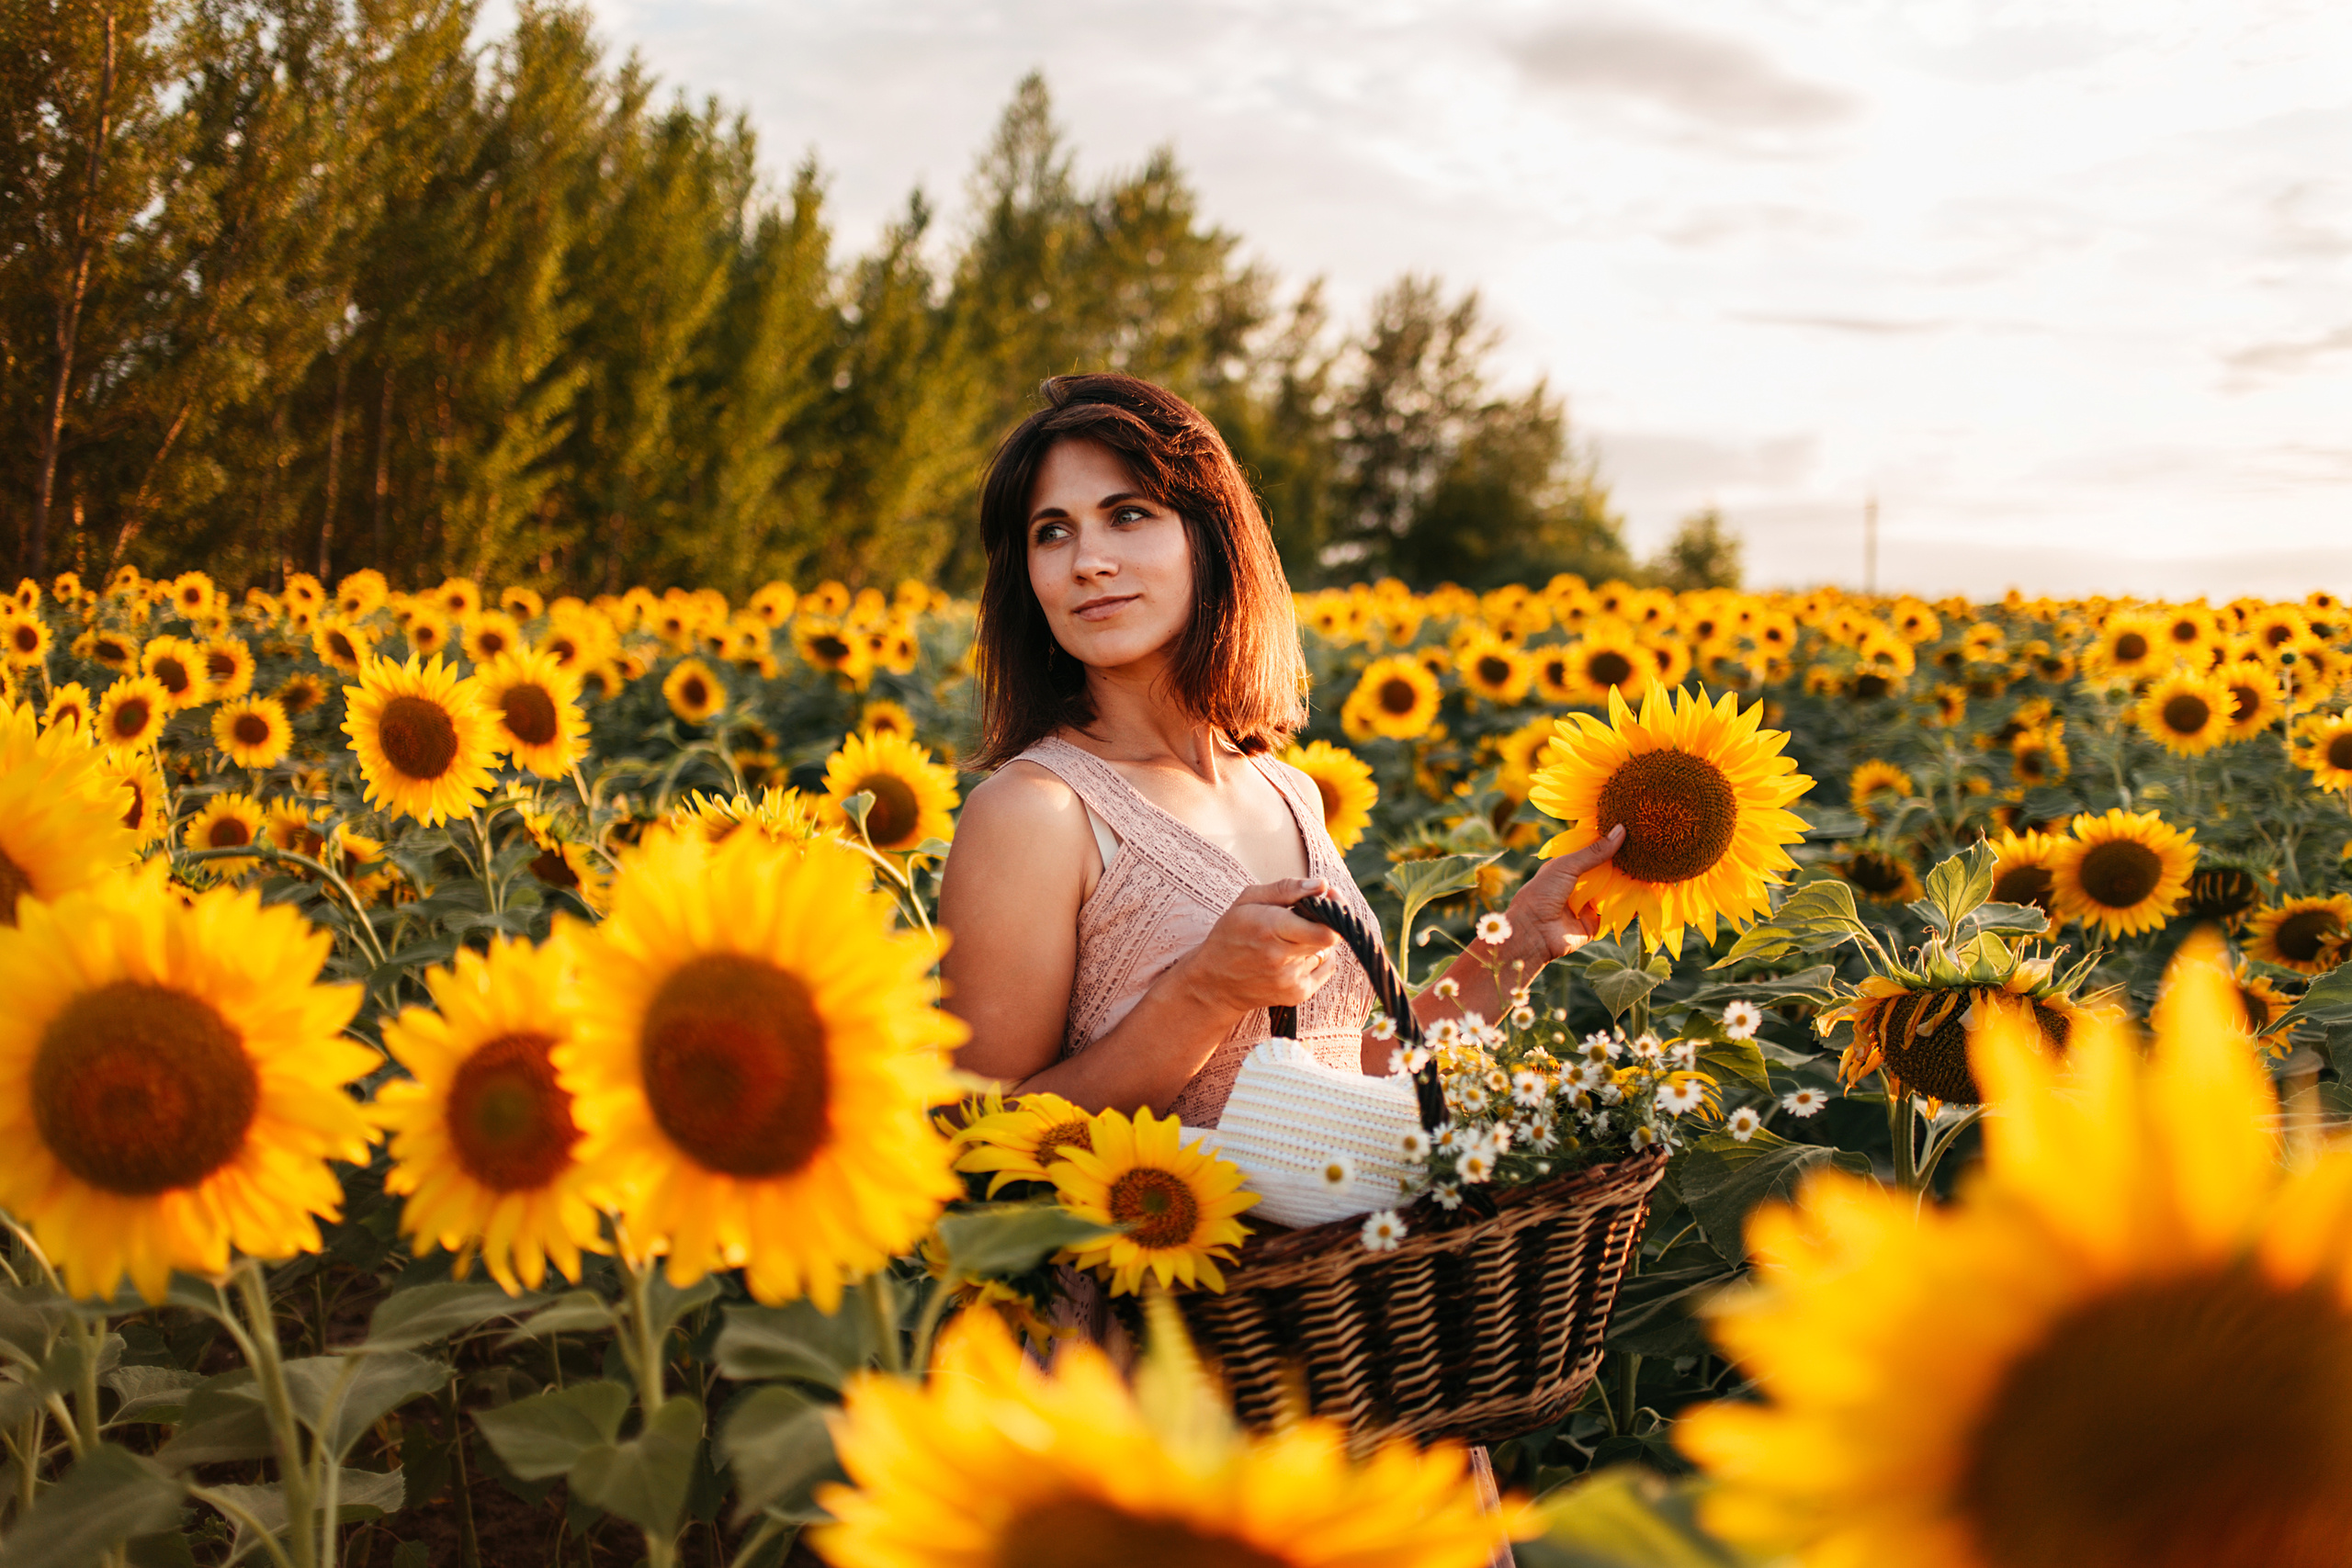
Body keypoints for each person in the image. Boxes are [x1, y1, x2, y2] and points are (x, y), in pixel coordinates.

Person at [941, 370, 1623, 1127]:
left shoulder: (1288, 789)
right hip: (1166, 1246)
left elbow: (1342, 1076)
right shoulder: (1034, 811)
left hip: (1350, 1246)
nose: (1087, 561)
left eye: (1127, 514)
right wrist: (1203, 993)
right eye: (1052, 531)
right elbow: (978, 1140)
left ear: (1211, 536)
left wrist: (1520, 942)